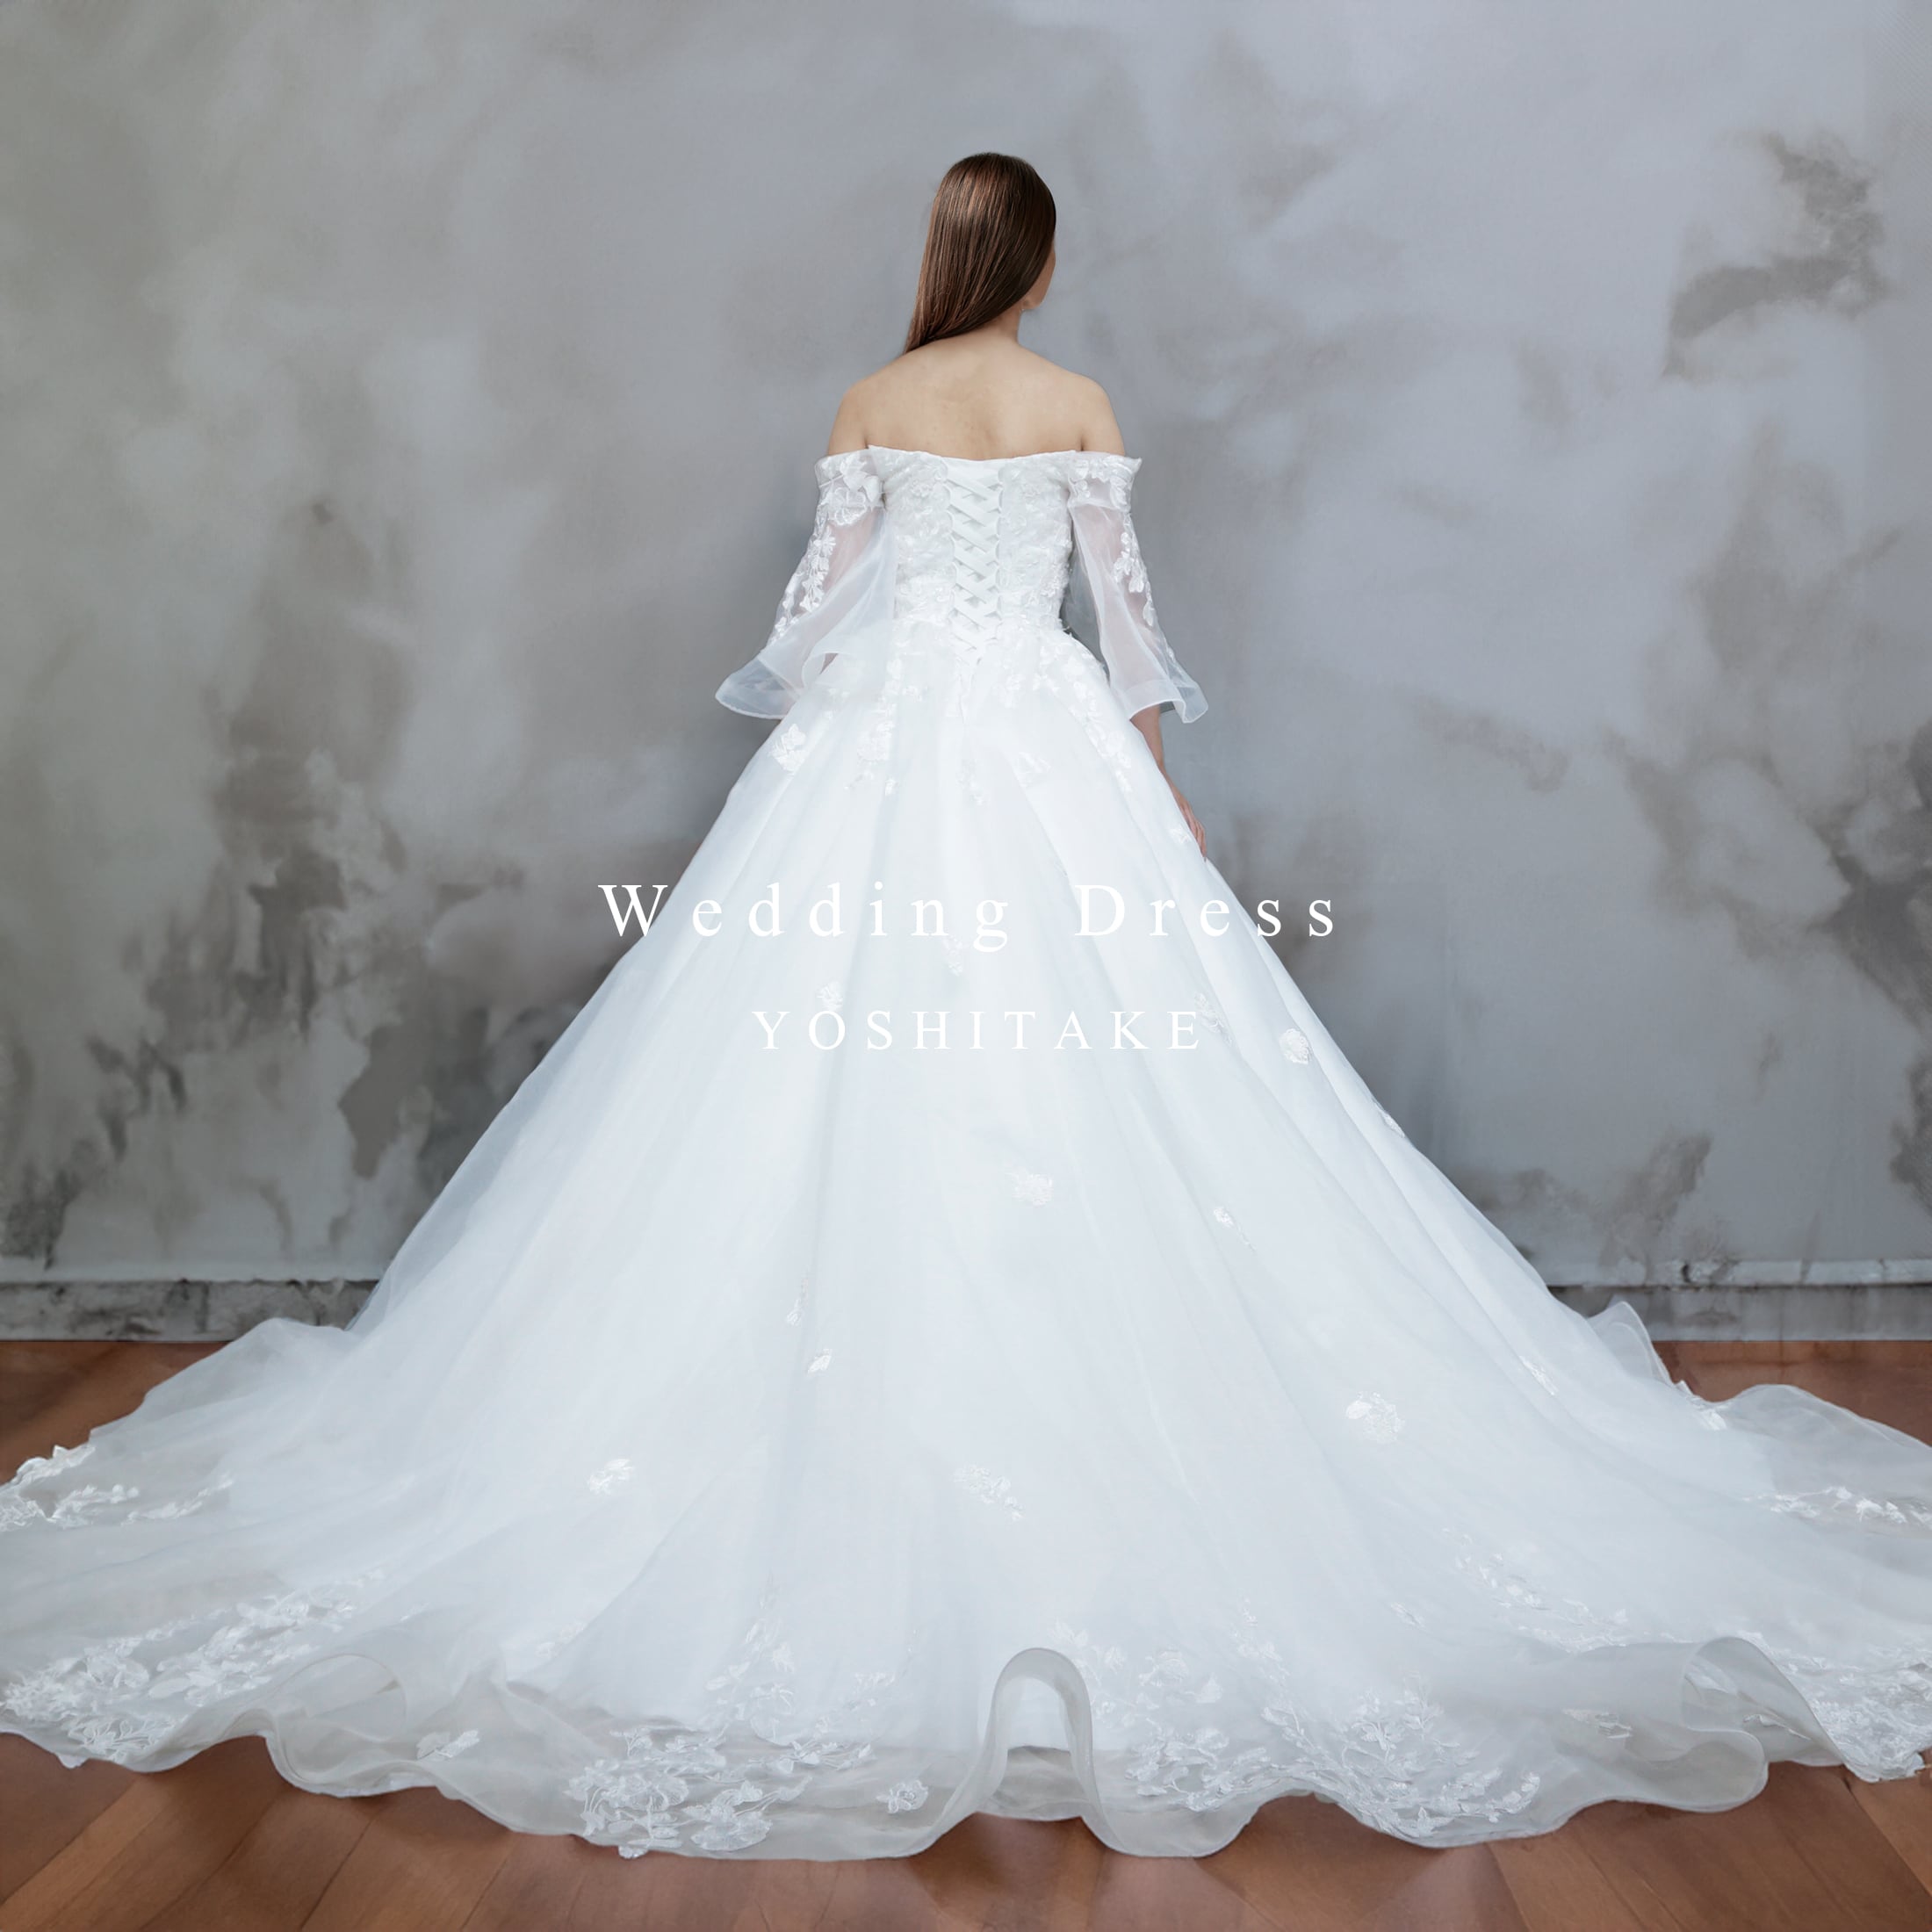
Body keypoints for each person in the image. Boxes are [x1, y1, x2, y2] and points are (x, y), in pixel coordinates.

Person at [2, 152, 1928, 1864]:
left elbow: (807, 624)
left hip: (887, 751)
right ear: (1042, 261)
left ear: (942, 253)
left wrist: (825, 718)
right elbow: (1127, 626)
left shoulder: (875, 399)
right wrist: (1155, 791)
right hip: (1042, 744)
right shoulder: (1073, 400)